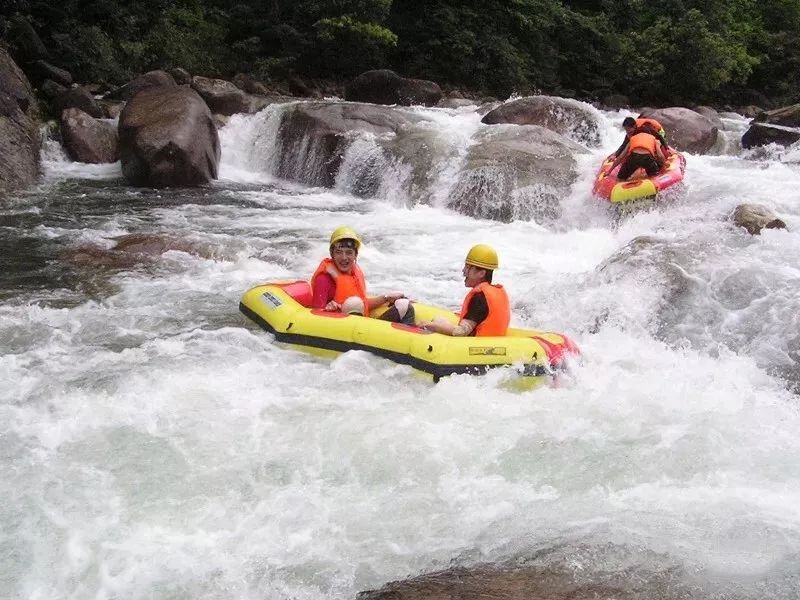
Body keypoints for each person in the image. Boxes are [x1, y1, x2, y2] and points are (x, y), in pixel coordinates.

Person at [310, 226, 414, 323]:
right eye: (338, 252)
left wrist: (386, 298)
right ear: (332, 254)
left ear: (356, 255)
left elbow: (363, 305)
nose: (344, 257)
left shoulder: (353, 275)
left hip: (363, 330)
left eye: (349, 252)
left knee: (403, 305)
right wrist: (329, 310)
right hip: (340, 330)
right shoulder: (323, 279)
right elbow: (314, 318)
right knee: (353, 303)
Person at [419, 244, 510, 337]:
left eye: (468, 267)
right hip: (494, 342)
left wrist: (429, 325)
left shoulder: (480, 298)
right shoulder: (495, 292)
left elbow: (460, 332)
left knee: (435, 322)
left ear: (481, 273)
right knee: (438, 319)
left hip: (475, 346)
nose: (463, 271)